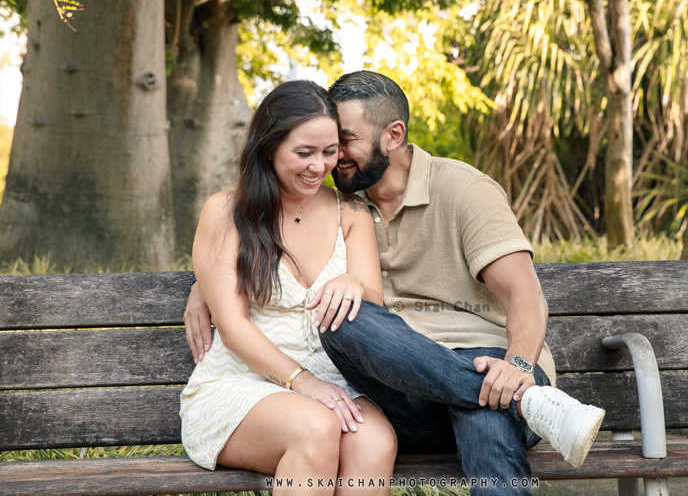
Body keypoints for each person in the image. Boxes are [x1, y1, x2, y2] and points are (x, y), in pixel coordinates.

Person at [184, 71, 604, 495]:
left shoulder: (454, 191)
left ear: (393, 135)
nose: (330, 160)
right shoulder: (344, 196)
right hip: (399, 391)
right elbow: (251, 248)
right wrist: (205, 283)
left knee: (482, 412)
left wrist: (515, 369)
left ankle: (520, 397)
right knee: (349, 327)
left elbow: (523, 293)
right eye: (317, 147)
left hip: (491, 369)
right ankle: (525, 402)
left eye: (339, 144)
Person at [180, 80, 397, 495]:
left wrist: (352, 281)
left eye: (330, 152)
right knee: (314, 426)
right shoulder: (227, 211)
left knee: (375, 439)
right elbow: (231, 323)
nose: (319, 166)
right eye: (304, 153)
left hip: (336, 381)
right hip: (244, 384)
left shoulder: (350, 211)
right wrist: (302, 382)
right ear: (269, 147)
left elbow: (372, 300)